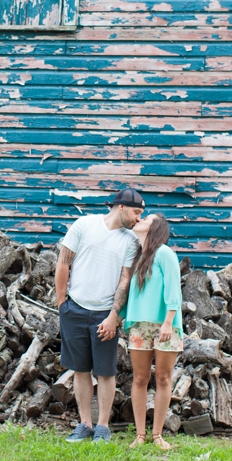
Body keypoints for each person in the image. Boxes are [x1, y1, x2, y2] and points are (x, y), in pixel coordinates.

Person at [55, 188, 144, 444]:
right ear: (121, 207)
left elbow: (125, 279)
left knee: (105, 371)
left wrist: (114, 316)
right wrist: (62, 303)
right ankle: (84, 424)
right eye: (137, 212)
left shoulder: (130, 240)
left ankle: (102, 426)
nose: (139, 218)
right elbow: (63, 263)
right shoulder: (84, 225)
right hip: (75, 308)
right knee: (81, 370)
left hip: (104, 314)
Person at [120, 213, 183, 450]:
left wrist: (168, 322)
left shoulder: (165, 253)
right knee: (139, 378)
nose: (140, 219)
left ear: (155, 228)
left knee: (163, 378)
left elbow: (173, 289)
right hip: (139, 325)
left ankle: (157, 435)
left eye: (146, 218)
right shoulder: (138, 256)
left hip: (165, 324)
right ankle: (140, 435)